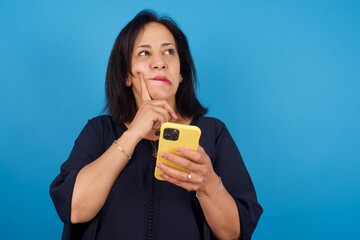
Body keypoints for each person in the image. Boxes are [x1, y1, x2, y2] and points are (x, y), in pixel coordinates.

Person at [50, 9, 263, 240]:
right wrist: (133, 134)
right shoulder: (99, 132)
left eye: (169, 52)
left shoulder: (213, 133)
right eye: (144, 53)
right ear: (126, 75)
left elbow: (234, 233)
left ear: (181, 73)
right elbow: (75, 210)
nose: (160, 62)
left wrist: (208, 182)